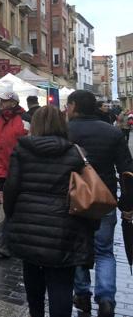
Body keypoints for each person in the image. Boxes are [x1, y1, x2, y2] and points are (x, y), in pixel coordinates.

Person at [4, 105, 94, 317]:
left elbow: (11, 188)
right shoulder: (75, 152)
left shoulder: (22, 149)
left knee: (32, 279)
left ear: (34, 124)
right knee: (62, 284)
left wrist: (12, 216)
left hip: (28, 224)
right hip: (64, 227)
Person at [68, 90, 133, 317]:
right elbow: (127, 170)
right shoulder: (112, 132)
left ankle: (82, 294)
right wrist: (127, 204)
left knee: (77, 246)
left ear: (74, 106)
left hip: (74, 198)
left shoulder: (66, 130)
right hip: (104, 198)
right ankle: (106, 298)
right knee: (105, 251)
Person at [0, 92, 29, 205]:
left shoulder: (24, 119)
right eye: (0, 100)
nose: (0, 103)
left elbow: (30, 142)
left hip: (17, 166)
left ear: (13, 103)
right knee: (5, 201)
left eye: (4, 100)